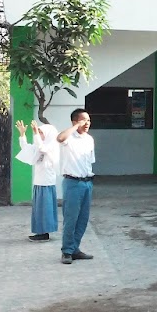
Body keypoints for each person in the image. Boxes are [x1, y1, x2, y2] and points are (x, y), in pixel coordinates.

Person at [57, 109, 95, 264]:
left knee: (83, 219)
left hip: (87, 183)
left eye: (88, 120)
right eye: (83, 120)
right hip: (73, 183)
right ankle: (66, 251)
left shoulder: (89, 139)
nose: (87, 123)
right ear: (74, 122)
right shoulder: (69, 138)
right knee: (71, 218)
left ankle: (75, 249)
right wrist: (75, 127)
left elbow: (89, 162)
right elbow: (60, 138)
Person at [16, 119, 60, 242]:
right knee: (39, 209)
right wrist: (22, 135)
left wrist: (35, 133)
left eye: (41, 132)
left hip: (46, 182)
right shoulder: (41, 144)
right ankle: (40, 231)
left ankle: (44, 232)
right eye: (38, 132)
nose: (39, 134)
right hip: (39, 182)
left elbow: (41, 148)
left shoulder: (51, 145)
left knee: (45, 208)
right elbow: (27, 149)